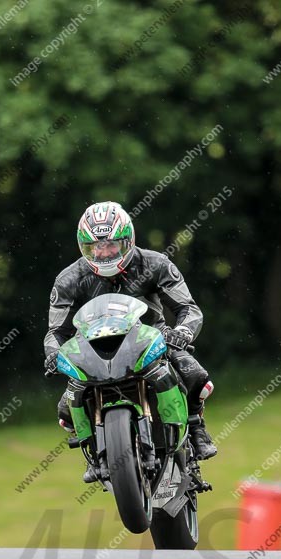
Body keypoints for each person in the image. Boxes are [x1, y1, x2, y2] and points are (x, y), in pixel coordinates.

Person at [43, 201, 217, 482]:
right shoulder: (69, 279)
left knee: (196, 374)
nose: (104, 253)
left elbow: (189, 308)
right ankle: (92, 450)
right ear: (84, 247)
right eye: (95, 247)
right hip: (94, 349)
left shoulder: (155, 263)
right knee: (65, 408)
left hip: (152, 340)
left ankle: (196, 425)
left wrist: (182, 332)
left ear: (129, 239)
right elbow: (56, 331)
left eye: (112, 245)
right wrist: (53, 353)